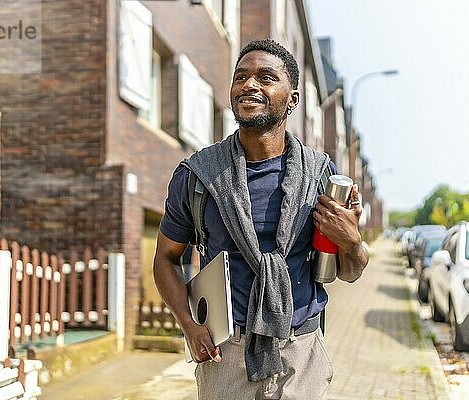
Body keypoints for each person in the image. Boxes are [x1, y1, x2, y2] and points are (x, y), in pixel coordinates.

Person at [153, 39, 369, 400]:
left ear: (293, 99)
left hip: (301, 347)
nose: (249, 85)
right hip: (226, 351)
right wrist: (189, 326)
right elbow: (164, 259)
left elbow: (348, 271)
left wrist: (352, 241)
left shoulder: (320, 176)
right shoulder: (199, 176)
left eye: (266, 77)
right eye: (241, 77)